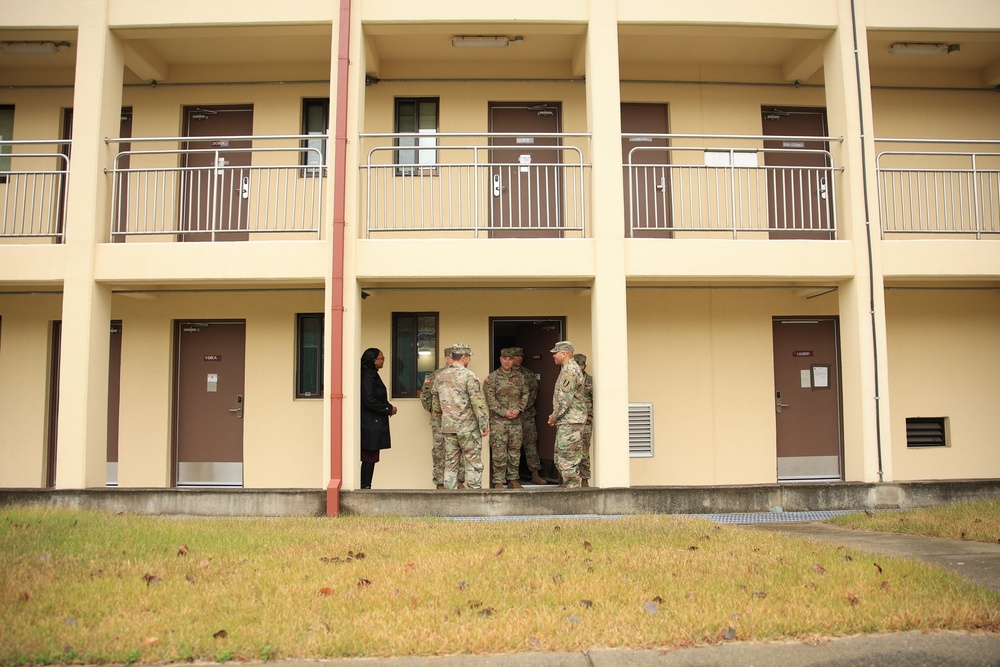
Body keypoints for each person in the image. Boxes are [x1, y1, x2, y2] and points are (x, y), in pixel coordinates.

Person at [431, 344, 490, 490]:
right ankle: (474, 498)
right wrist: (484, 424)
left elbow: (436, 406)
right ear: (464, 357)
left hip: (448, 427)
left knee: (450, 463)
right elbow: (478, 403)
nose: (469, 359)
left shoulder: (439, 377)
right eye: (469, 357)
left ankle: (448, 499)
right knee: (473, 462)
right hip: (467, 428)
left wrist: (441, 424)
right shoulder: (469, 376)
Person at [483, 348, 529, 489]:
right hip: (498, 422)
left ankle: (513, 479)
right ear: (500, 359)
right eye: (505, 359)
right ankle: (498, 481)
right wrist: (504, 412)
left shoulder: (520, 378)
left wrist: (518, 409)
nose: (507, 361)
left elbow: (526, 395)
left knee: (515, 451)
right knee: (499, 452)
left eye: (510, 359)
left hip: (516, 421)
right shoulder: (492, 378)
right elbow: (490, 400)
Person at [546, 341, 587, 488]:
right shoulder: (569, 369)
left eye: (555, 353)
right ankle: (571, 491)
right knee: (561, 457)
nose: (553, 356)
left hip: (570, 422)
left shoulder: (570, 371)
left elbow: (564, 400)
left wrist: (554, 416)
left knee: (567, 460)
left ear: (564, 354)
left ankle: (574, 495)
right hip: (568, 421)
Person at [360, 347, 396, 490]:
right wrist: (387, 408)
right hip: (369, 423)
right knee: (369, 456)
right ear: (374, 360)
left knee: (371, 457)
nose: (383, 361)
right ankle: (365, 486)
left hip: (372, 421)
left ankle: (366, 485)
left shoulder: (372, 374)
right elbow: (368, 399)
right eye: (381, 358)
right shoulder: (368, 376)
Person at [510, 347, 547, 486]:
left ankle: (535, 474)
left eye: (521, 356)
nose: (519, 358)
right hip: (509, 416)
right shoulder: (502, 374)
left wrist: (521, 408)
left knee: (530, 444)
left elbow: (533, 393)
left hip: (526, 414)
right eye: (516, 356)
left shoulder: (528, 373)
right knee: (511, 446)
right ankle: (511, 477)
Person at [421, 347, 455, 489]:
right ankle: (440, 483)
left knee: (458, 450)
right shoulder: (435, 375)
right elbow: (425, 396)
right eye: (453, 357)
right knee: (439, 451)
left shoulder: (464, 375)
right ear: (446, 358)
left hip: (458, 421)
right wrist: (436, 413)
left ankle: (458, 482)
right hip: (439, 421)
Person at [574, 353, 594, 487]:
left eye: (580, 367)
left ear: (584, 367)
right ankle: (570, 480)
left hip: (586, 422)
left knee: (584, 451)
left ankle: (585, 479)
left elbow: (597, 400)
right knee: (569, 451)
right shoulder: (568, 379)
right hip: (571, 421)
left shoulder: (590, 381)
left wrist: (591, 415)